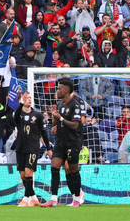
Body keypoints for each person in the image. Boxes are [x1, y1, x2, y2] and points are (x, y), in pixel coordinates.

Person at [41, 77, 84, 208]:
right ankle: (54, 198)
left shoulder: (75, 105)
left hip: (73, 142)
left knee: (72, 170)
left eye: (59, 88)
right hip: (60, 142)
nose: (57, 90)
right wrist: (55, 118)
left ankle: (76, 198)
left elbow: (76, 125)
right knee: (54, 166)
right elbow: (56, 122)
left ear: (66, 90)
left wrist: (61, 118)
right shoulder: (59, 104)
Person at [14, 90, 52, 207]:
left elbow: (44, 133)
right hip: (20, 146)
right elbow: (15, 116)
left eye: (30, 98)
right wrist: (21, 102)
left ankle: (25, 199)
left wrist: (49, 148)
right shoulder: (18, 114)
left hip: (32, 147)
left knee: (28, 172)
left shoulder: (38, 115)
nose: (29, 99)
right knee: (22, 175)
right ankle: (34, 197)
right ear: (22, 100)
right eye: (27, 98)